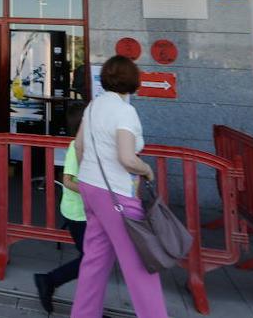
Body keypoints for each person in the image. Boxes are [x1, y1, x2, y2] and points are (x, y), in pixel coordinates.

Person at [70, 56, 163, 318]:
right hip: (117, 193)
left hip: (90, 187)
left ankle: (83, 314)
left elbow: (79, 146)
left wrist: (86, 174)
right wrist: (147, 170)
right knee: (140, 264)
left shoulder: (93, 106)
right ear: (134, 81)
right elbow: (127, 158)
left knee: (95, 259)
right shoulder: (125, 112)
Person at [33, 101, 88, 314]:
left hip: (87, 213)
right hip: (79, 214)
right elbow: (67, 180)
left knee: (93, 260)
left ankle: (51, 282)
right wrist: (94, 191)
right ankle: (50, 281)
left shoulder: (89, 144)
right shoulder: (77, 147)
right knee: (92, 260)